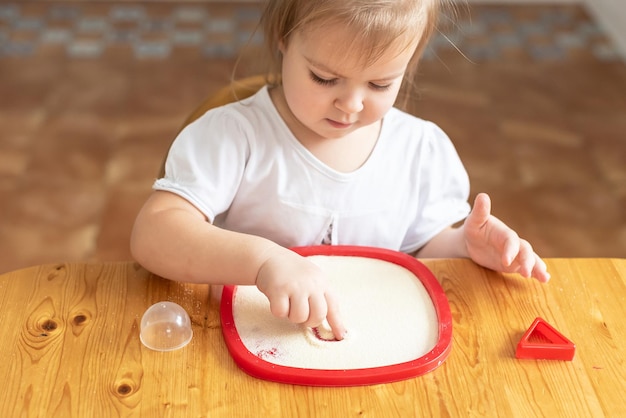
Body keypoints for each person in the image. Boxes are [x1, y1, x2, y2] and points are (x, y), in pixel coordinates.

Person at [131, 0, 550, 342]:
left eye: (380, 84)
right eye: (324, 78)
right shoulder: (232, 136)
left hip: (371, 352)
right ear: (284, 38)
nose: (350, 104)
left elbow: (419, 251)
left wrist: (464, 247)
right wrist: (264, 261)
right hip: (247, 347)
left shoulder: (419, 151)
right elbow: (154, 233)